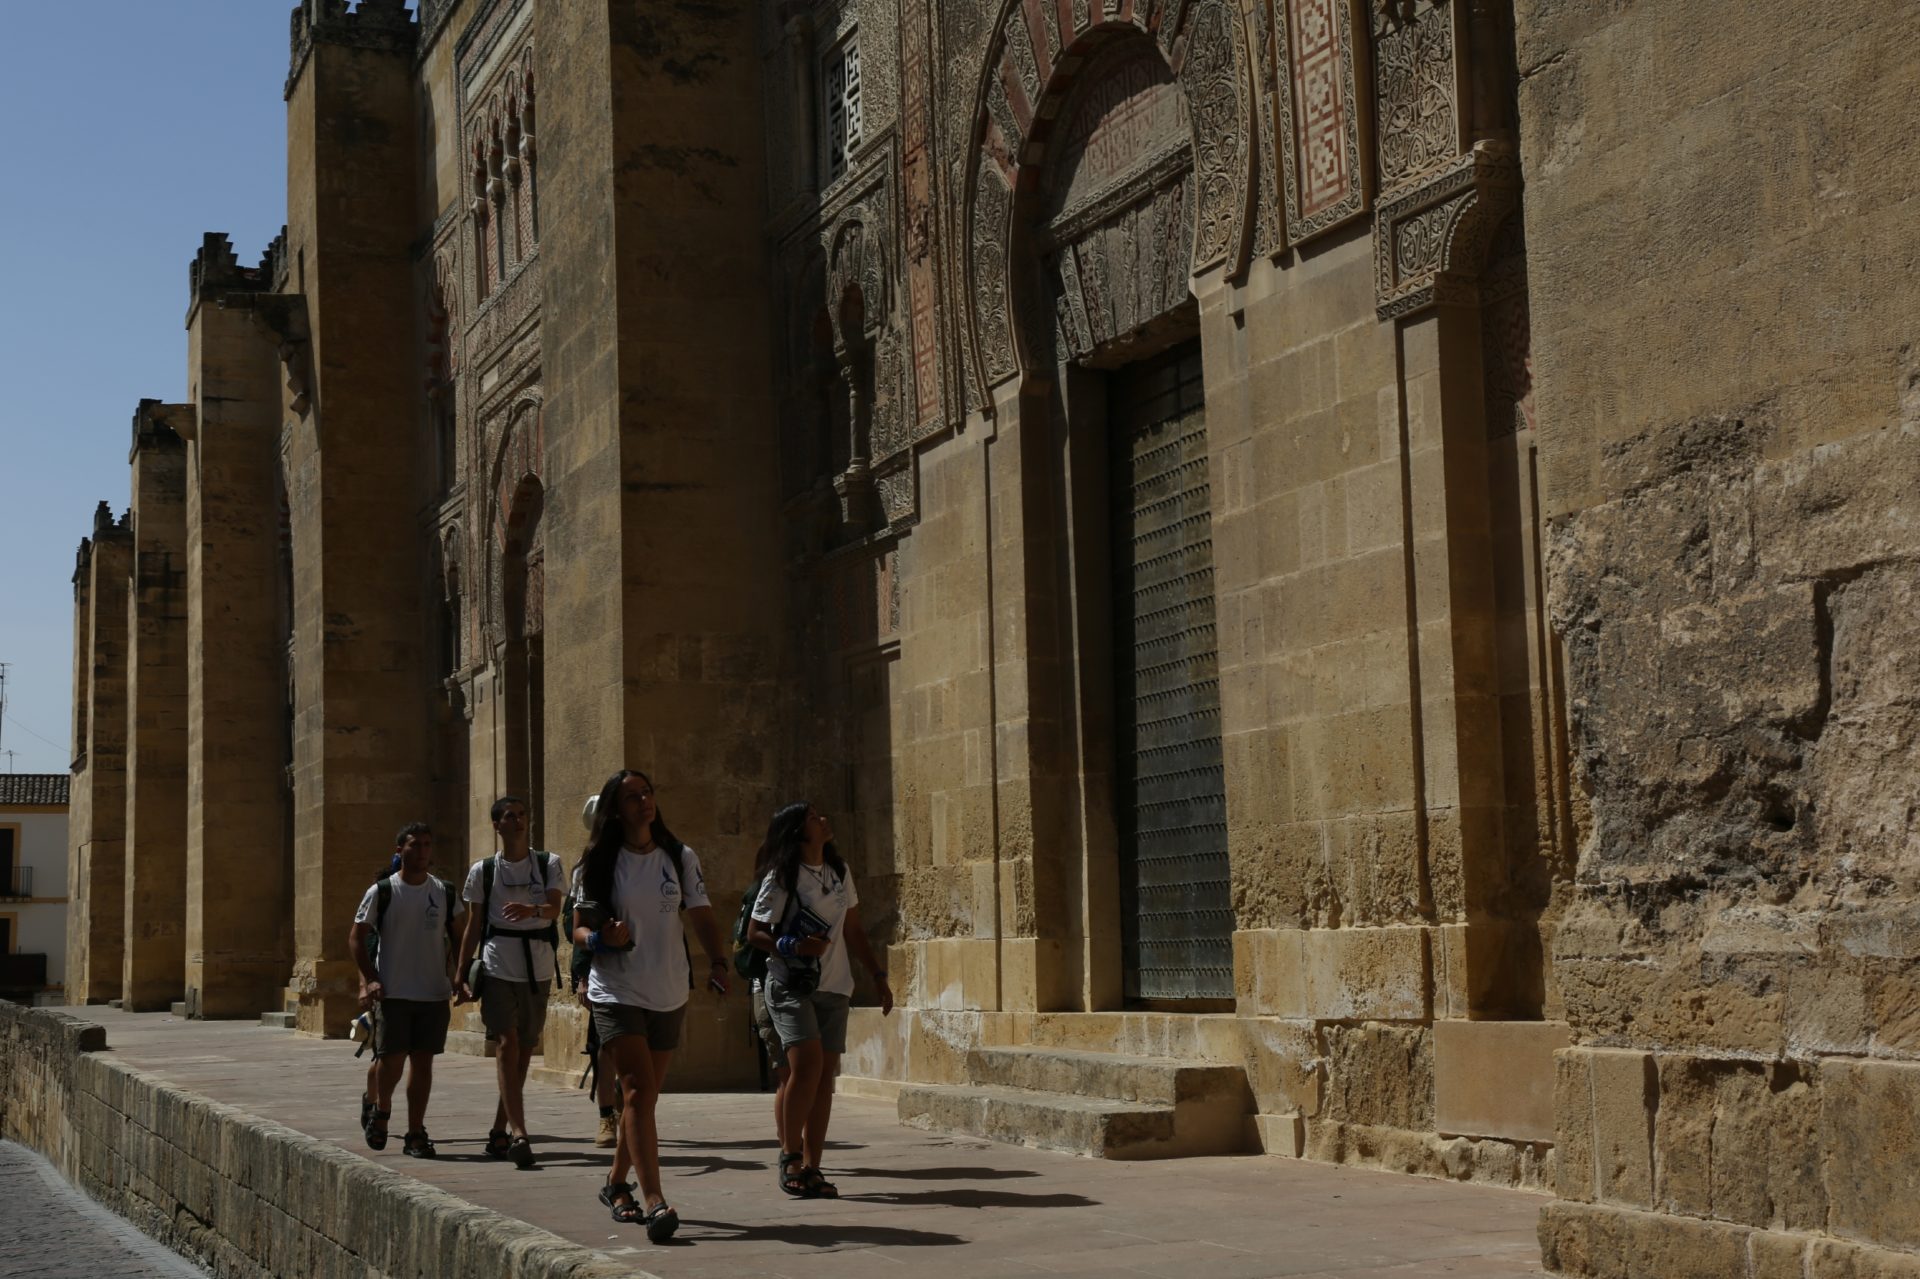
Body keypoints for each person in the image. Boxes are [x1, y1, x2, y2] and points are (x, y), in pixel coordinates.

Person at [573, 770, 732, 1242]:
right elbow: (579, 928)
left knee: (645, 1099)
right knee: (638, 1094)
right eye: (632, 796)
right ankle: (655, 1200)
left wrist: (719, 962)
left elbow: (700, 912)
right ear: (615, 809)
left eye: (647, 792)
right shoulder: (597, 864)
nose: (644, 801)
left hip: (669, 990)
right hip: (616, 989)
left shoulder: (679, 857)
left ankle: (615, 1182)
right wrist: (601, 937)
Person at [748, 802, 892, 1199]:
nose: (824, 818)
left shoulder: (839, 871)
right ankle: (789, 1157)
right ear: (798, 832)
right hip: (791, 984)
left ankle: (813, 1166)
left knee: (823, 1080)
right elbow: (754, 933)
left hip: (835, 985)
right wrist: (790, 943)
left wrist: (877, 976)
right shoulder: (783, 876)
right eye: (814, 817)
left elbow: (855, 929)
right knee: (806, 1067)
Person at [454, 796, 564, 1169]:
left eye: (521, 815)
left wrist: (531, 910)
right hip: (498, 963)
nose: (516, 821)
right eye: (508, 816)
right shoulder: (483, 871)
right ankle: (520, 1132)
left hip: (538, 965)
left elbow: (554, 908)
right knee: (507, 1042)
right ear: (496, 826)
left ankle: (500, 1128)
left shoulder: (549, 863)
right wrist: (461, 970)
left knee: (524, 1049)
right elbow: (473, 924)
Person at [348, 821, 464, 1158]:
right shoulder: (382, 891)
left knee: (423, 1063)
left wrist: (460, 973)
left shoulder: (444, 891)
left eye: (427, 844)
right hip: (395, 991)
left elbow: (459, 933)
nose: (422, 851)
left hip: (433, 991)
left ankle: (416, 1130)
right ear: (400, 850)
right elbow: (357, 936)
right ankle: (382, 1112)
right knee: (391, 1060)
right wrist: (369, 977)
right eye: (415, 845)